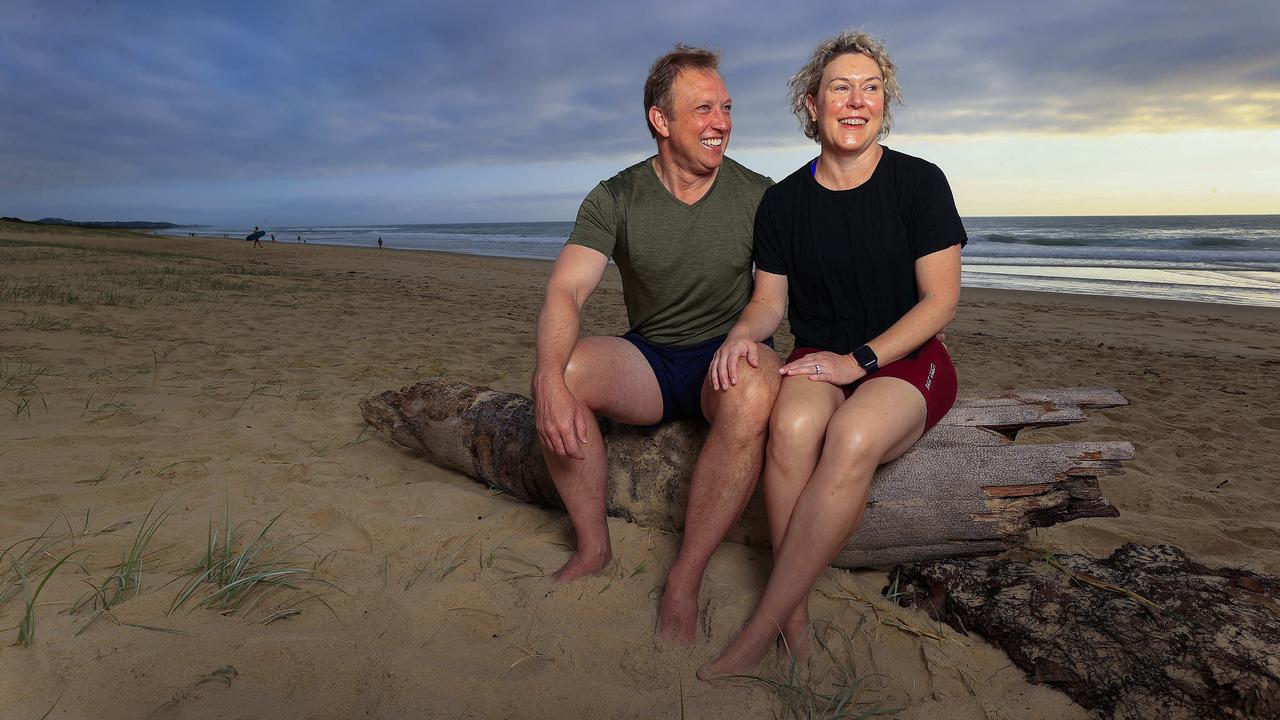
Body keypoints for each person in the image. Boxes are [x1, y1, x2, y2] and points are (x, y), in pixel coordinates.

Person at [699, 31, 965, 677]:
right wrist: (742, 335)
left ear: (884, 104)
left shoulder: (920, 183)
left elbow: (939, 303)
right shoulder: (783, 203)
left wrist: (859, 363)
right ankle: (795, 619)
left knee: (848, 437)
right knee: (790, 427)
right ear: (812, 105)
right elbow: (769, 304)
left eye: (870, 88)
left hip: (908, 358)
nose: (856, 100)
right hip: (819, 353)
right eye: (840, 88)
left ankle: (761, 626)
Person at [532, 45, 779, 644]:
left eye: (726, 108)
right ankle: (594, 549)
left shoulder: (763, 196)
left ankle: (684, 581)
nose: (721, 122)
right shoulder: (615, 196)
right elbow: (566, 290)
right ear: (660, 120)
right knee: (564, 372)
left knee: (754, 392)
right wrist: (546, 378)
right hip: (651, 359)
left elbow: (775, 298)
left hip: (727, 356)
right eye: (703, 109)